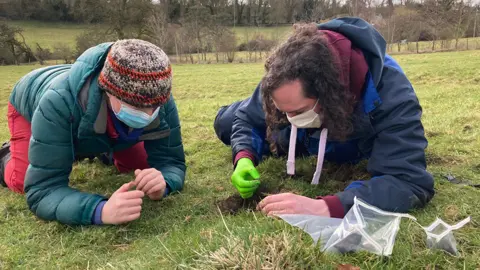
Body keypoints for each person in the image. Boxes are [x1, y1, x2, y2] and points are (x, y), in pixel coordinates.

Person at [214, 18, 434, 218]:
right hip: (299, 136)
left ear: (328, 94)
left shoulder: (391, 91)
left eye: (298, 112)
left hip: (347, 139)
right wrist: (243, 156)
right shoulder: (286, 72)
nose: (289, 118)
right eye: (283, 111)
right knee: (226, 122)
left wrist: (326, 207)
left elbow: (408, 182)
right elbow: (247, 119)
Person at [0, 39, 186, 225]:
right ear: (108, 91)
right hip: (32, 98)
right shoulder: (57, 102)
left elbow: (171, 162)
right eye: (135, 106)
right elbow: (43, 191)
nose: (147, 115)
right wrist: (99, 210)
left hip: (92, 117)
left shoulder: (158, 95)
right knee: (21, 181)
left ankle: (98, 148)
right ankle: (6, 155)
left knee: (140, 165)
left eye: (154, 107)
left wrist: (164, 183)